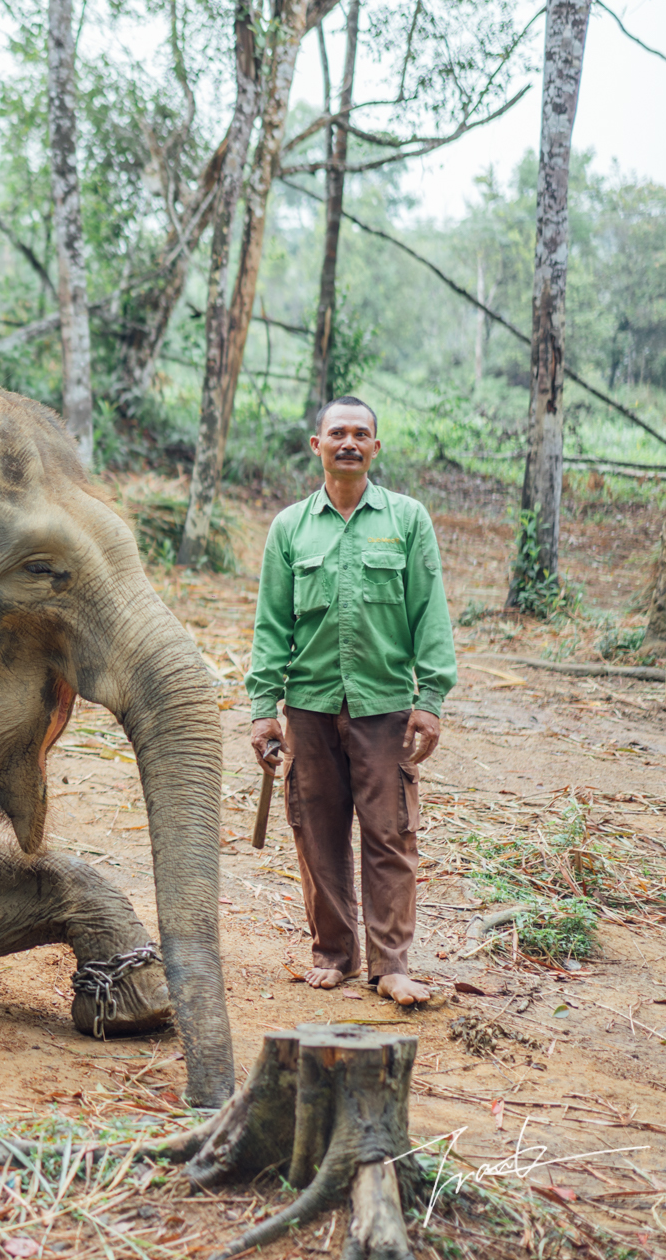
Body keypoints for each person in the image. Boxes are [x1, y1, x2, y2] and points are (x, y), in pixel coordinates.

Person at [243, 396, 456, 1006]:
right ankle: (333, 954)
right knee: (317, 833)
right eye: (337, 433)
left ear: (376, 448)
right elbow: (270, 624)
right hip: (308, 707)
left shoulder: (408, 520)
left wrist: (431, 697)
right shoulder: (290, 527)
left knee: (390, 836)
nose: (349, 443)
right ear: (317, 446)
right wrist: (264, 707)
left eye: (361, 434)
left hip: (384, 706)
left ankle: (392, 966)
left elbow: (429, 614)